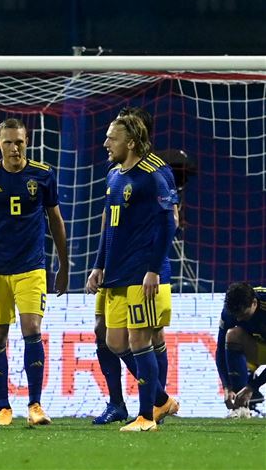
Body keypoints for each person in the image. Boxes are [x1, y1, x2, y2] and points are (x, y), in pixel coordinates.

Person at [0, 118, 69, 427]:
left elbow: (56, 221)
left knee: (32, 329)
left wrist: (63, 265)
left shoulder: (43, 174)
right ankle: (3, 407)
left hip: (31, 267)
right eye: (8, 142)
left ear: (27, 141)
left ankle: (35, 405)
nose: (14, 148)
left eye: (19, 142)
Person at [86, 114, 177, 432]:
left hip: (142, 272)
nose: (105, 144)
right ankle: (161, 398)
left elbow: (169, 223)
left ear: (132, 142)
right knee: (114, 341)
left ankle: (146, 417)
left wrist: (153, 269)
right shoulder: (113, 176)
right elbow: (108, 226)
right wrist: (99, 264)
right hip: (116, 272)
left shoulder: (154, 175)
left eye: (112, 138)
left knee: (140, 339)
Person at [216, 283, 266, 418]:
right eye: (236, 315)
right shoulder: (229, 313)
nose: (238, 319)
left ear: (254, 303)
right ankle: (241, 407)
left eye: (243, 314)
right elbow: (221, 350)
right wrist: (227, 386)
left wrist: (252, 387)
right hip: (259, 347)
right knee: (233, 335)